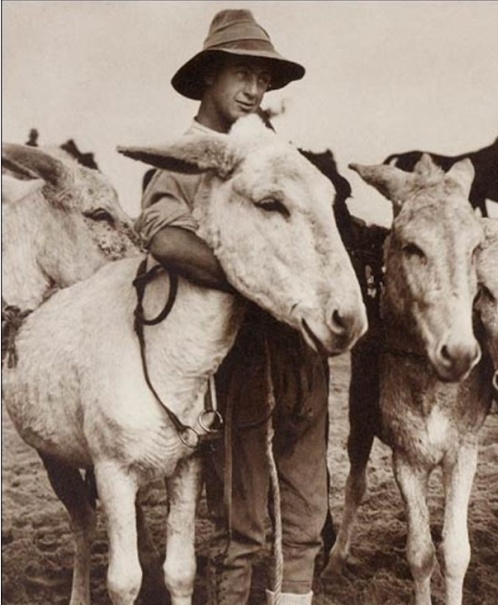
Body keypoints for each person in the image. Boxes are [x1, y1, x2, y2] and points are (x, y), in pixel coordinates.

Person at [134, 9, 330, 605]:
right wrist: (251, 276)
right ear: (207, 78)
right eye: (242, 75)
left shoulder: (275, 152)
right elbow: (163, 234)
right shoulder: (184, 157)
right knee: (237, 491)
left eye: (264, 79)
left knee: (307, 472)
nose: (255, 90)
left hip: (297, 335)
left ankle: (295, 592)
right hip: (229, 348)